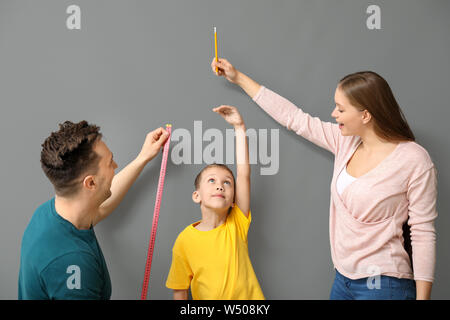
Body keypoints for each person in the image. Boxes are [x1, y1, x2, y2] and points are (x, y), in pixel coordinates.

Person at [211, 58, 437, 300]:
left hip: (384, 285)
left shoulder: (414, 159)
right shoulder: (346, 142)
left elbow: (423, 232)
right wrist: (238, 78)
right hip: (342, 280)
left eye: (340, 109)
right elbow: (294, 118)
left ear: (365, 116)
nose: (333, 114)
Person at [18, 120, 169, 299]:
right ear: (91, 183)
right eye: (110, 162)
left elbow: (101, 207)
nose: (115, 166)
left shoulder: (47, 214)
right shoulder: (74, 263)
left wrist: (142, 158)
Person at [165, 106, 265, 300]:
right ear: (197, 196)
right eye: (211, 180)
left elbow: (243, 174)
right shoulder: (184, 241)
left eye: (227, 182)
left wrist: (239, 127)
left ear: (234, 200)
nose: (220, 186)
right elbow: (180, 290)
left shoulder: (237, 223)